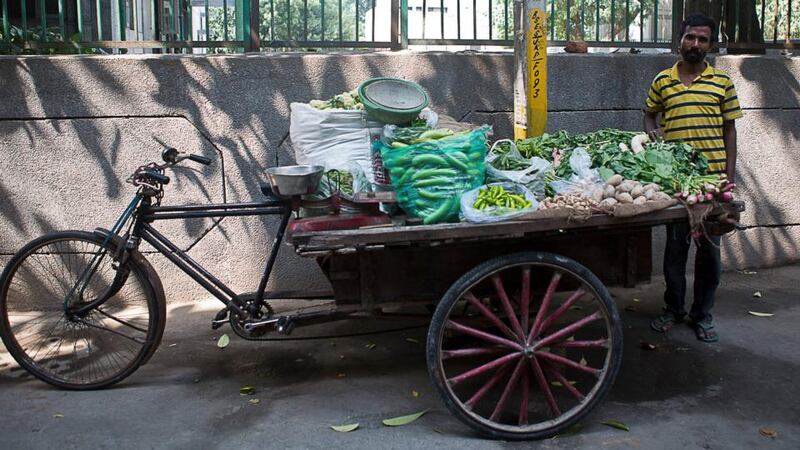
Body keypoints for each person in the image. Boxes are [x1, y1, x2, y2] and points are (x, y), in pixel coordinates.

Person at [643, 13, 743, 343]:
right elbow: (649, 115)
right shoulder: (662, 81)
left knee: (710, 254)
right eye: (690, 37)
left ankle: (703, 315)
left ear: (711, 45)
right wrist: (656, 144)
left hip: (712, 184)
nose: (695, 44)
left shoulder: (722, 83)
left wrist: (728, 178)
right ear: (680, 40)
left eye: (702, 39)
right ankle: (673, 309)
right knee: (675, 250)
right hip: (678, 182)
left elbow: (730, 130)